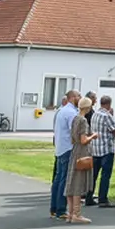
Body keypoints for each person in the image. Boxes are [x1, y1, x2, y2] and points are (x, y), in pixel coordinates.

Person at [64, 97, 96, 224]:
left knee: (71, 180)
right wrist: (93, 136)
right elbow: (83, 140)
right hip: (82, 151)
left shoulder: (75, 119)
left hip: (75, 150)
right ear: (87, 108)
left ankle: (70, 213)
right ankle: (76, 213)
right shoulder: (82, 121)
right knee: (78, 180)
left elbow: (73, 138)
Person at [50, 89, 80, 220]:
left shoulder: (61, 111)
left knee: (58, 179)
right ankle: (61, 209)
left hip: (60, 147)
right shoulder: (72, 113)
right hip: (68, 148)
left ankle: (54, 208)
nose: (80, 98)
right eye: (79, 96)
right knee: (64, 179)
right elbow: (73, 131)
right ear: (73, 97)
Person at [86, 95, 115, 209]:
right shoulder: (107, 116)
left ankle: (89, 196)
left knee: (93, 175)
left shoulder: (94, 114)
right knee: (105, 175)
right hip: (106, 149)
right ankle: (102, 199)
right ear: (109, 104)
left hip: (95, 148)